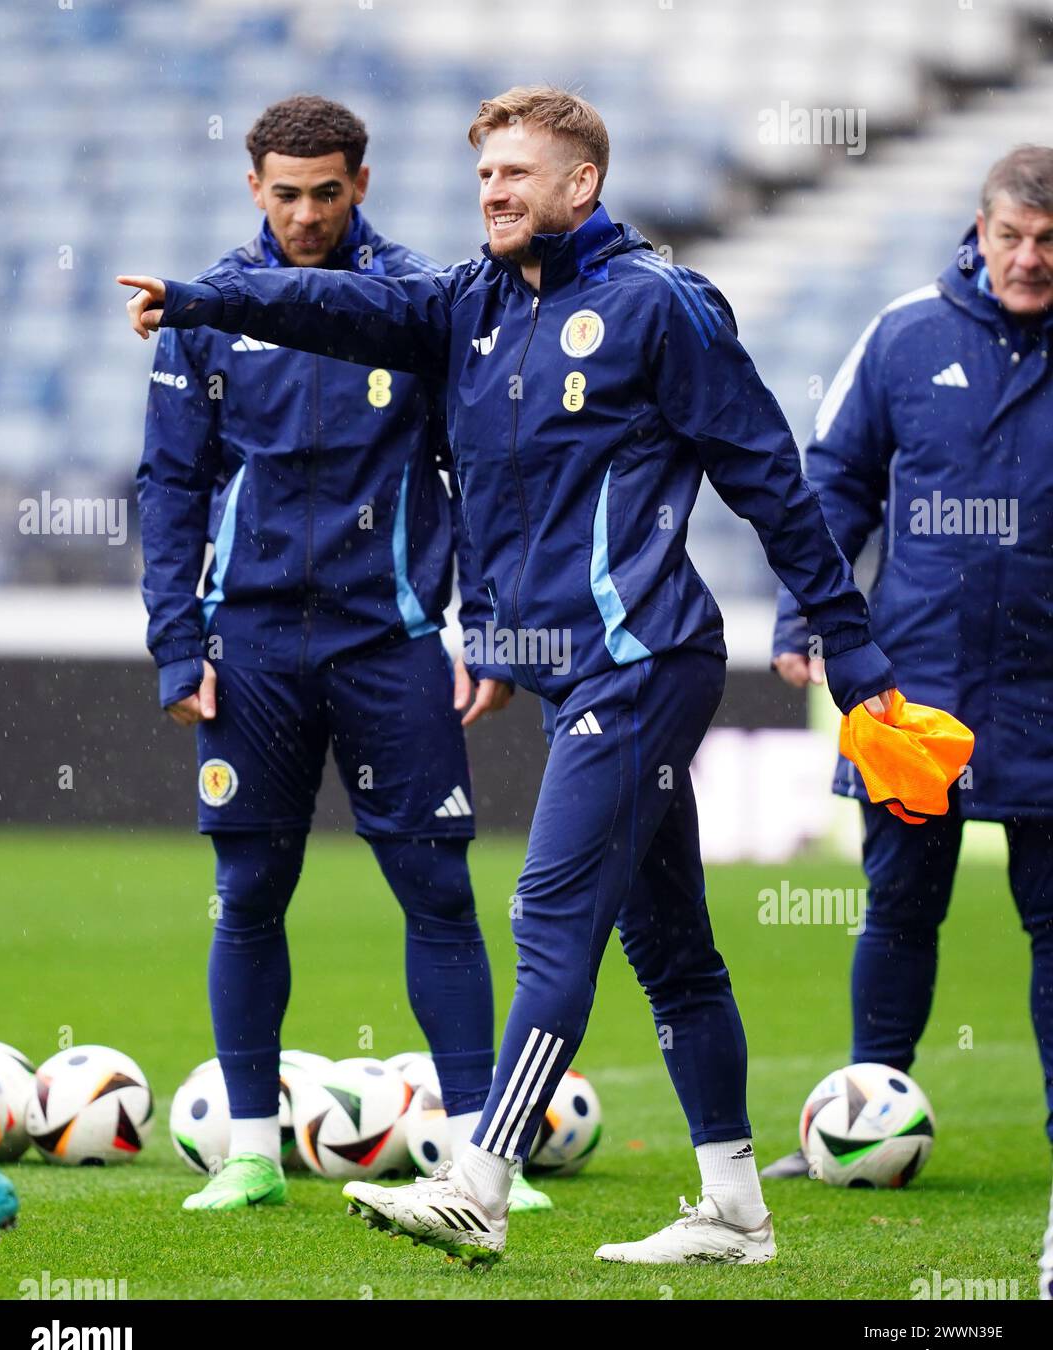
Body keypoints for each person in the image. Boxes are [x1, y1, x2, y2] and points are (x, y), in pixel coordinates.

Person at [120, 85, 894, 1264]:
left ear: (580, 185)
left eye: (515, 176)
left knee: (548, 912)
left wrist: (853, 641)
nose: (492, 194)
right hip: (562, 672)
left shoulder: (659, 308)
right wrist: (196, 298)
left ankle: (479, 1175)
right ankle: (735, 1207)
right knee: (670, 945)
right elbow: (329, 307)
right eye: (483, 176)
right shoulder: (469, 304)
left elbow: (771, 481)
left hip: (643, 660)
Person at [135, 94, 550, 1214]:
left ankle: (477, 1155)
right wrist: (178, 642)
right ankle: (254, 1154)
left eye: (327, 192)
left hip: (392, 638)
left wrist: (489, 625)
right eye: (286, 194)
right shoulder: (204, 314)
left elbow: (484, 474)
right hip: (253, 643)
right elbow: (171, 486)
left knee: (436, 888)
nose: (306, 214)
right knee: (250, 886)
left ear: (361, 183)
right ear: (253, 188)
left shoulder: (420, 305)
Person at [762, 145, 1053, 1180]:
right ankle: (862, 1113)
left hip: (1046, 687)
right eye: (1010, 236)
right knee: (899, 904)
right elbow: (833, 481)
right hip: (916, 676)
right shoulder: (903, 331)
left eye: (1047, 242)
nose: (1027, 258)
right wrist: (807, 614)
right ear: (978, 231)